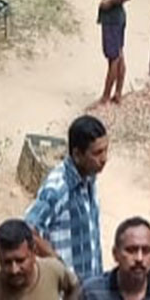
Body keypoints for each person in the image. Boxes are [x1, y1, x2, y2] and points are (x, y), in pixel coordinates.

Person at [26, 115, 108, 282]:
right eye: (97, 153)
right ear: (77, 154)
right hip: (66, 297)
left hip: (88, 288)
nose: (104, 159)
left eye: (106, 150)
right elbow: (29, 230)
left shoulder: (89, 179)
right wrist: (58, 266)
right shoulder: (58, 188)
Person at [94, 0, 132, 108]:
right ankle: (118, 93)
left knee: (113, 58)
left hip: (113, 19)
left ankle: (106, 96)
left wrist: (110, 2)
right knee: (119, 54)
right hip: (117, 18)